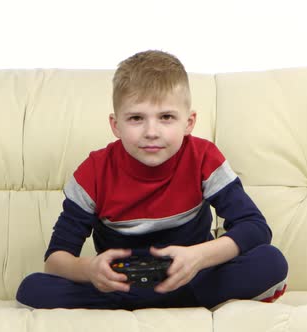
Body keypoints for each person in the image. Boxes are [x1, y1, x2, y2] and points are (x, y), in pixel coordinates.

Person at [16, 50, 288, 310]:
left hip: (193, 276)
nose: (151, 132)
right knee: (32, 288)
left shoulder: (203, 157)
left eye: (166, 117)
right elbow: (55, 260)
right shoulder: (93, 172)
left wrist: (199, 256)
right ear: (115, 125)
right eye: (136, 118)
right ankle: (184, 302)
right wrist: (89, 269)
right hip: (120, 289)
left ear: (189, 122)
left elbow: (254, 227)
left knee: (270, 262)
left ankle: (187, 296)